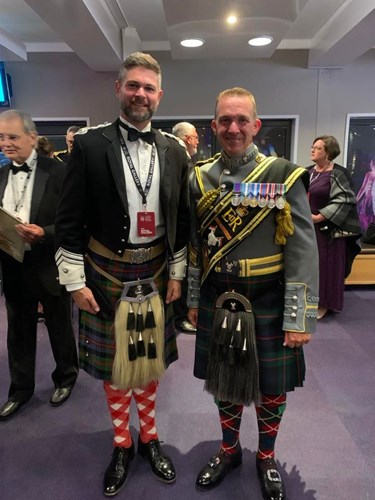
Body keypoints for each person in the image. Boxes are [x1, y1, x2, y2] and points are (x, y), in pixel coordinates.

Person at [54, 52, 190, 497]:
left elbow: (181, 219)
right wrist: (74, 282)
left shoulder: (173, 149)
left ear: (160, 95)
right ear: (118, 89)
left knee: (148, 363)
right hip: (104, 271)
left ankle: (149, 437)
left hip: (155, 270)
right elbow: (69, 219)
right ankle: (121, 443)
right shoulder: (90, 145)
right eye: (133, 85)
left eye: (149, 88)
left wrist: (177, 272)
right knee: (117, 367)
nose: (140, 94)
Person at [187, 87, 319, 500]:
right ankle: (229, 450)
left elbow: (301, 248)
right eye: (225, 120)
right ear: (214, 126)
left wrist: (298, 318)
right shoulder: (200, 176)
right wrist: (193, 299)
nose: (234, 128)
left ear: (256, 125)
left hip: (267, 298)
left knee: (269, 388)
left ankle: (265, 456)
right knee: (224, 384)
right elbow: (195, 245)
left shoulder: (283, 174)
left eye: (242, 120)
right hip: (218, 296)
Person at [0, 110, 79, 421]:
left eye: (13, 137)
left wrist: (43, 233)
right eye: (2, 137)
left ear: (32, 137)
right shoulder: (1, 174)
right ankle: (20, 389)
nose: (6, 143)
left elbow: (73, 224)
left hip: (48, 262)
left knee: (59, 324)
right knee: (18, 330)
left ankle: (66, 377)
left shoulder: (59, 172)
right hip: (12, 264)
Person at [308, 135, 361, 320]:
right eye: (313, 147)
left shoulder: (338, 173)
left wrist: (319, 217)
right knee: (310, 266)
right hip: (308, 227)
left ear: (328, 153)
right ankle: (310, 300)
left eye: (318, 148)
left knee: (326, 267)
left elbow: (345, 199)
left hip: (330, 228)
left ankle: (324, 304)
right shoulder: (308, 172)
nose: (312, 150)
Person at [170, 121, 199, 334]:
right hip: (182, 229)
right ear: (188, 138)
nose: (197, 140)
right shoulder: (183, 163)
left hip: (181, 228)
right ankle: (180, 317)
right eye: (196, 136)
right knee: (181, 273)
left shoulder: (180, 161)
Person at [356, 156, 375, 232]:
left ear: (372, 163)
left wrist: (357, 199)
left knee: (364, 215)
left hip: (368, 198)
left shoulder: (369, 174)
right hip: (373, 199)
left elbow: (363, 188)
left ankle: (367, 233)